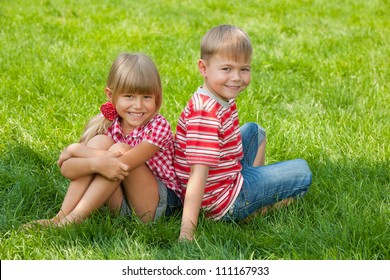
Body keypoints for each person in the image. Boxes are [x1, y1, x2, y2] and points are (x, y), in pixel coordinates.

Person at [174, 25, 312, 241]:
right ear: (203, 68)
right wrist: (186, 234)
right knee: (303, 172)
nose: (236, 77)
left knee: (255, 131)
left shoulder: (218, 96)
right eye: (227, 69)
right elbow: (198, 174)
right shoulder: (205, 115)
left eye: (244, 69)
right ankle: (244, 208)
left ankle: (253, 194)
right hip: (219, 201)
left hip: (226, 177)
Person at [26, 53, 182, 228]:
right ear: (110, 95)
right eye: (129, 96)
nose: (138, 105)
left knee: (121, 149)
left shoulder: (158, 126)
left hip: (156, 206)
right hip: (121, 203)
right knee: (100, 141)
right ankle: (60, 217)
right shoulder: (108, 123)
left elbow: (121, 165)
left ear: (157, 97)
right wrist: (95, 163)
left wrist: (75, 150)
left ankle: (73, 220)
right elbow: (67, 170)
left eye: (146, 97)